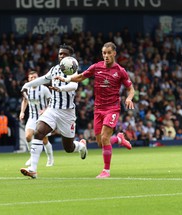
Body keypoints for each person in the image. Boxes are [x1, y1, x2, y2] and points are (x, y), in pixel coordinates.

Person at [55, 42, 134, 179]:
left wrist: (129, 98)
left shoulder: (120, 70)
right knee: (100, 142)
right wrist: (65, 78)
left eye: (109, 53)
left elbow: (131, 89)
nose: (106, 56)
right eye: (104, 53)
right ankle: (119, 139)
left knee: (104, 138)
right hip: (98, 109)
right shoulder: (96, 67)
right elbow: (80, 77)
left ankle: (106, 171)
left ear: (114, 53)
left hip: (112, 108)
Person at [20, 44, 88, 179]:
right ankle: (33, 169)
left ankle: (81, 146)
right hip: (52, 109)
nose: (61, 56)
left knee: (68, 148)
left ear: (70, 57)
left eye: (64, 54)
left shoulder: (73, 70)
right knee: (38, 132)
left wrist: (61, 89)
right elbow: (43, 79)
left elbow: (74, 85)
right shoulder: (55, 69)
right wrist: (27, 84)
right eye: (60, 54)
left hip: (67, 113)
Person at [19, 71, 54, 167]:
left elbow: (51, 102)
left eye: (35, 77)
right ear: (28, 79)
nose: (33, 79)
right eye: (31, 78)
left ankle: (50, 157)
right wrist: (22, 112)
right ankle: (32, 156)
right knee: (28, 136)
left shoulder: (44, 89)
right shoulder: (27, 90)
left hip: (43, 117)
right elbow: (25, 100)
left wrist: (45, 110)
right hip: (32, 116)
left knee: (44, 140)